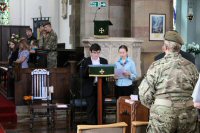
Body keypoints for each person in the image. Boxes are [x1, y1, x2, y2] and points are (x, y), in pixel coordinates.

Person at [139, 30, 199, 133]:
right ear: (179, 48)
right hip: (187, 115)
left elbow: (145, 95)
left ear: (165, 47)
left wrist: (158, 106)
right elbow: (197, 92)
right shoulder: (192, 67)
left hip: (162, 115)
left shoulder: (156, 66)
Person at [82, 43, 108, 124]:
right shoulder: (86, 61)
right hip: (90, 88)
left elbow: (107, 74)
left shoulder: (104, 61)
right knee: (91, 107)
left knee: (100, 107)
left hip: (101, 88)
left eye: (98, 52)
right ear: (90, 52)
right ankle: (91, 126)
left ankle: (101, 125)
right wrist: (89, 69)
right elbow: (82, 75)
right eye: (94, 52)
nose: (96, 54)